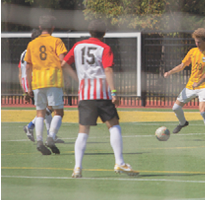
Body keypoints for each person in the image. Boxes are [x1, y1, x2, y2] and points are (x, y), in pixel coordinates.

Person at [61, 19, 139, 178]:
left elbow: (63, 64)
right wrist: (114, 92)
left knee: (83, 131)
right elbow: (108, 70)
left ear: (89, 32)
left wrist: (77, 79)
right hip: (101, 94)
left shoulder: (77, 46)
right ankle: (120, 162)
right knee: (114, 126)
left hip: (85, 95)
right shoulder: (104, 47)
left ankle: (77, 167)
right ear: (104, 33)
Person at [24, 15, 67, 155]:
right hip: (53, 80)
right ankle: (51, 136)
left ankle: (39, 140)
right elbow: (62, 61)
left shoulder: (32, 44)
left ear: (40, 27)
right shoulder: (57, 41)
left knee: (40, 113)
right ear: (53, 27)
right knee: (58, 112)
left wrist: (29, 87)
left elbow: (27, 67)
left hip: (37, 81)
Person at [164, 28, 205, 141]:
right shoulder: (192, 51)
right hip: (191, 86)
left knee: (202, 111)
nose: (197, 44)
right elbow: (182, 66)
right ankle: (183, 123)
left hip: (204, 86)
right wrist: (170, 72)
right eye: (195, 41)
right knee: (176, 108)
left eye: (199, 42)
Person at [19, 30, 64, 144]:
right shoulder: (34, 50)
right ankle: (32, 127)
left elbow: (21, 71)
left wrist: (25, 87)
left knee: (44, 108)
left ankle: (48, 134)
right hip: (40, 80)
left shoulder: (25, 51)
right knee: (48, 109)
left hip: (32, 82)